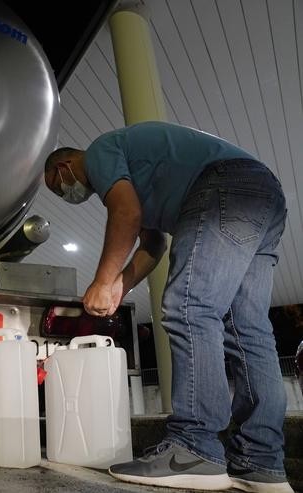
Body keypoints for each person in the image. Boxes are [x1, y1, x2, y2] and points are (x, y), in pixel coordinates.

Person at [44, 121, 292, 493]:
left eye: (58, 187)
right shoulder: (133, 170)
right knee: (248, 328)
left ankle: (194, 448)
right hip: (263, 196)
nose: (67, 193)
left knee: (190, 306)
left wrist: (99, 281)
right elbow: (153, 244)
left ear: (63, 169)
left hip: (224, 186)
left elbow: (125, 215)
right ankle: (260, 463)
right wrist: (119, 285)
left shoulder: (99, 153)